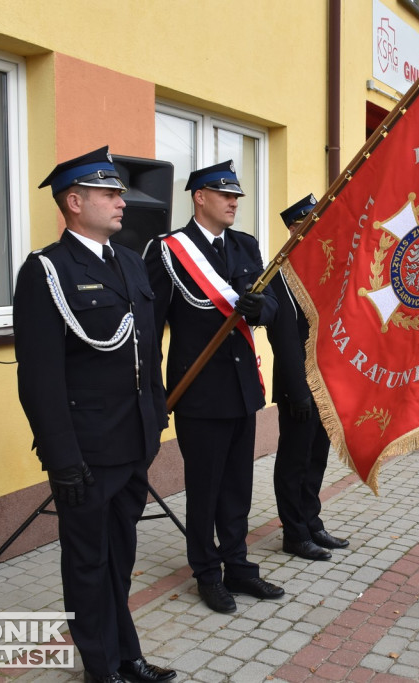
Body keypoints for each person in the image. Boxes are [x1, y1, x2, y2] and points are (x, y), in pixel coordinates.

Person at [14, 147, 175, 683]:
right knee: (86, 562)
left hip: (132, 443)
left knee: (121, 555)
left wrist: (154, 422)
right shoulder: (48, 271)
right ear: (75, 202)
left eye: (119, 191)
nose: (121, 201)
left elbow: (147, 351)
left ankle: (126, 654)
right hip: (85, 451)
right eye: (108, 193)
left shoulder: (130, 260)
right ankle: (101, 668)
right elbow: (39, 379)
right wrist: (62, 458)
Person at [144, 161, 284, 614]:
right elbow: (149, 329)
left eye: (237, 196)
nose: (233, 202)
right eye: (224, 194)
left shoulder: (245, 245)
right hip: (199, 393)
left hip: (243, 388)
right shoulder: (167, 251)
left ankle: (239, 568)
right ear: (198, 197)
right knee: (204, 490)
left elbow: (273, 308)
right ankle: (207, 573)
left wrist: (261, 308)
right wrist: (151, 394)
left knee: (238, 488)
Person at [267, 194, 350, 561]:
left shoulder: (323, 267)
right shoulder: (282, 272)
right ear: (294, 228)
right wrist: (299, 391)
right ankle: (294, 533)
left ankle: (311, 522)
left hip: (326, 383)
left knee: (317, 455)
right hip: (298, 385)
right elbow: (282, 337)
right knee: (294, 460)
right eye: (311, 223)